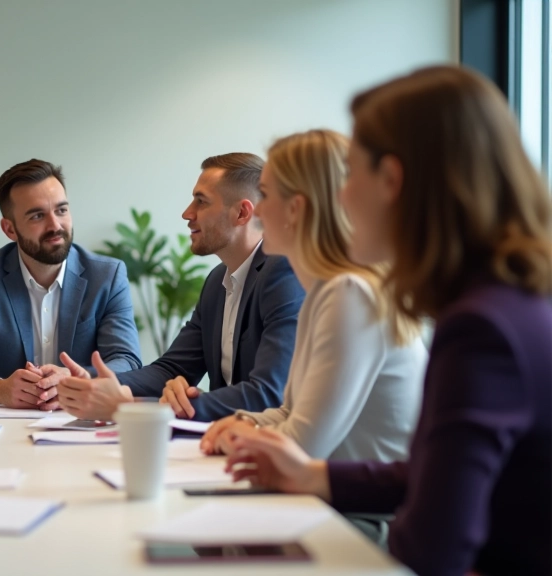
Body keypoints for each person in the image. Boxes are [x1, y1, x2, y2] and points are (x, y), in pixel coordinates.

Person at [222, 66, 551, 576]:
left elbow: (432, 551)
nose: (344, 195)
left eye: (352, 172)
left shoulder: (480, 328)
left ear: (392, 181)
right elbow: (431, 476)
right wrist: (317, 478)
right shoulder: (512, 303)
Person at [199, 129, 427, 463]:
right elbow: (290, 413)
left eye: (265, 195)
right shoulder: (326, 290)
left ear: (295, 209)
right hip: (333, 499)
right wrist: (242, 421)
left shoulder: (350, 295)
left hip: (359, 513)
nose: (257, 213)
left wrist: (243, 434)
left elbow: (303, 447)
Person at [58, 154, 304, 422]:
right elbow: (172, 369)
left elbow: (266, 396)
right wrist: (91, 380)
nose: (187, 213)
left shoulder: (283, 273)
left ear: (242, 213)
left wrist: (140, 407)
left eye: (201, 201)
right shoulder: (216, 282)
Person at [0, 158, 142, 408]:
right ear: (10, 229)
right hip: (1, 431)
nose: (55, 226)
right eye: (37, 216)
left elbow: (126, 361)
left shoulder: (107, 276)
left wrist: (76, 378)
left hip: (81, 423)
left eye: (61, 210)